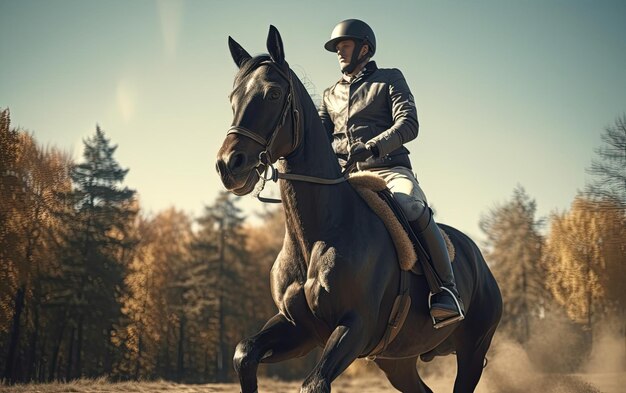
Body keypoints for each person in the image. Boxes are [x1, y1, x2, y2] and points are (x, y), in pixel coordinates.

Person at [318, 19, 464, 326]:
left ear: (364, 49)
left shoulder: (389, 79)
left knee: (410, 206)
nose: (339, 53)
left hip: (388, 170)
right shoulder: (329, 95)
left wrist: (372, 147)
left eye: (344, 46)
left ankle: (445, 291)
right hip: (347, 178)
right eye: (337, 48)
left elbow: (409, 123)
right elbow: (317, 141)